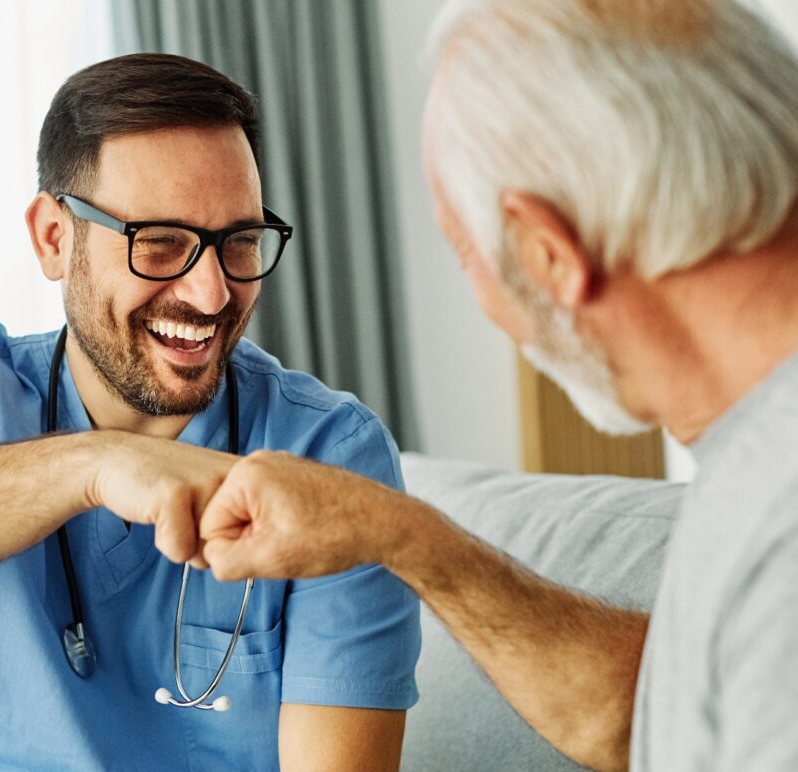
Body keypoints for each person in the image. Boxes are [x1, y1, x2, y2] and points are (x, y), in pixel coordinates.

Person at [197, 1, 798, 770]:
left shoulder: (780, 528)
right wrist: (397, 531)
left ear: (548, 253)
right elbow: (644, 716)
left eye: (464, 254)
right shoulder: (753, 458)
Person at [0, 54, 420, 771]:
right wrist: (97, 463)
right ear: (54, 238)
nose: (213, 295)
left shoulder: (332, 454)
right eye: (160, 243)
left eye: (238, 241)